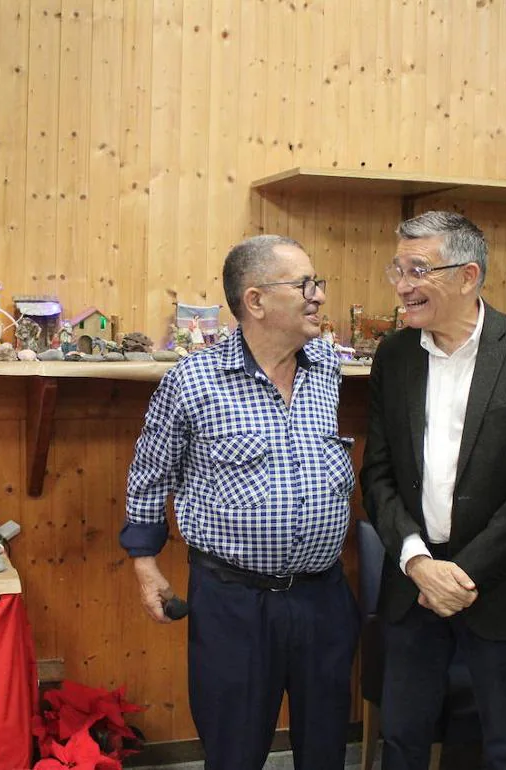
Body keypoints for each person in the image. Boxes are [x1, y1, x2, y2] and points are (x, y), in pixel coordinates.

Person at [121, 234, 358, 770]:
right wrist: (145, 565)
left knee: (326, 750)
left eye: (317, 283)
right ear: (255, 301)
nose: (318, 295)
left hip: (323, 599)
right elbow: (149, 477)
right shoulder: (193, 380)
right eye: (304, 285)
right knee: (235, 750)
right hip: (234, 604)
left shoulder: (325, 366)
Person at [360, 211, 506, 770]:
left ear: (467, 276)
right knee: (403, 740)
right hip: (414, 585)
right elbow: (377, 473)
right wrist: (417, 562)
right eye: (397, 269)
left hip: (504, 584)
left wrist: (464, 572)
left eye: (418, 269)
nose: (403, 285)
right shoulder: (395, 355)